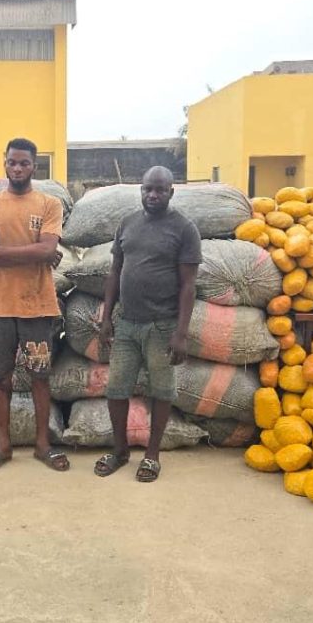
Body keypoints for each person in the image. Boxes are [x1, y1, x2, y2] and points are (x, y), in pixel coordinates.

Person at [95, 166, 201, 483]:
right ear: (140, 190)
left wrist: (181, 333)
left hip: (162, 325)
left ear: (171, 192)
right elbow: (115, 271)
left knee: (161, 391)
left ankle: (152, 455)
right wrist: (106, 317)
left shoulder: (184, 229)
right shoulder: (127, 223)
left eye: (160, 190)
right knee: (116, 389)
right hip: (127, 323)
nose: (153, 195)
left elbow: (188, 285)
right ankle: (120, 451)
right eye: (147, 189)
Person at [0, 138, 69, 473]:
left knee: (40, 377)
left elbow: (46, 250)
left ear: (34, 166)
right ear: (5, 163)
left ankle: (43, 445)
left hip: (37, 307)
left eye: (24, 163)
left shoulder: (49, 204)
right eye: (12, 162)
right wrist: (36, 252)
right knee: (1, 379)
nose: (17, 168)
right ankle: (3, 445)